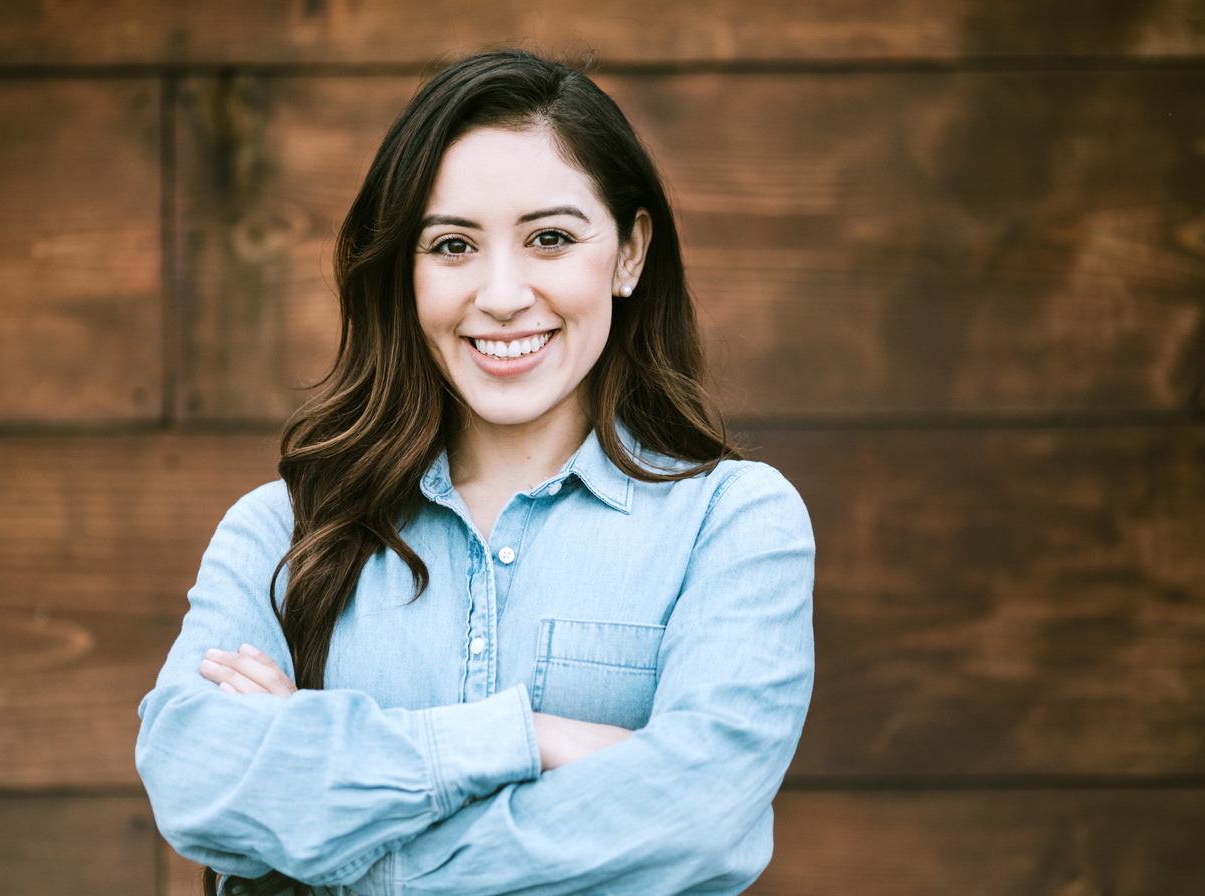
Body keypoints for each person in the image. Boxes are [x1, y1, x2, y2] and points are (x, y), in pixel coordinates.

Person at [136, 48, 814, 896]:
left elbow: (702, 814)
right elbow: (197, 778)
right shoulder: (282, 530)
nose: (501, 294)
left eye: (551, 239)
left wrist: (339, 852)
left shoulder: (734, 524)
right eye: (452, 245)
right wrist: (526, 739)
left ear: (631, 253)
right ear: (405, 272)